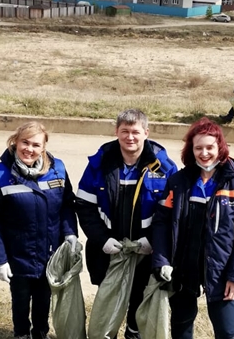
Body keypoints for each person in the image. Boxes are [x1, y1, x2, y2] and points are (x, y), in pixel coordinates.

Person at [151, 117, 234, 339]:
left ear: (220, 147)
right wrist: (162, 262)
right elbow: (161, 224)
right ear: (190, 150)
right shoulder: (178, 182)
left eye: (209, 147)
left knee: (228, 331)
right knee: (181, 326)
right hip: (182, 269)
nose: (204, 153)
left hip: (221, 270)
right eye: (198, 148)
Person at [76, 109, 178, 339]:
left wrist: (151, 241)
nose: (130, 137)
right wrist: (102, 240)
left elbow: (170, 213)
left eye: (135, 132)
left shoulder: (164, 168)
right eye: (125, 131)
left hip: (146, 250)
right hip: (108, 250)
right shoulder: (99, 164)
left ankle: (133, 333)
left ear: (146, 133)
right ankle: (106, 333)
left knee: (140, 296)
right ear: (116, 132)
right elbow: (84, 206)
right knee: (109, 297)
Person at [0, 121, 78, 339]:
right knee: (20, 298)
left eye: (36, 145)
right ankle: (20, 334)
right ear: (15, 142)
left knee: (43, 298)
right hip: (17, 253)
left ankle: (40, 333)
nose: (29, 149)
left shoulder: (58, 169)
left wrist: (70, 232)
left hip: (49, 252)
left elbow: (66, 204)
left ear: (43, 147)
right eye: (24, 142)